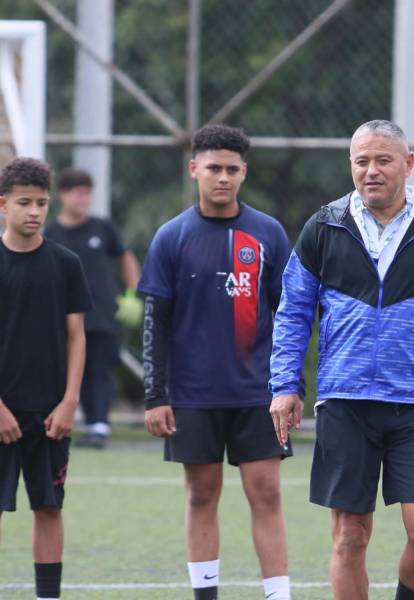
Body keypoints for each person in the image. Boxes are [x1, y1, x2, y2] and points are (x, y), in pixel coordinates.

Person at [270, 119, 414, 600]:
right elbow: (292, 312)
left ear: (407, 165)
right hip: (345, 400)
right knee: (350, 536)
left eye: (383, 160)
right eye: (361, 161)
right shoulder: (323, 226)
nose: (371, 170)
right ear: (351, 165)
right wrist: (285, 385)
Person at [138, 125, 293, 600]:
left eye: (231, 170)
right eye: (213, 169)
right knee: (201, 494)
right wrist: (155, 395)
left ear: (244, 172)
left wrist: (292, 388)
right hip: (193, 395)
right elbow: (155, 323)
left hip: (257, 395)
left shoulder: (268, 233)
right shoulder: (171, 237)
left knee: (266, 493)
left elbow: (289, 316)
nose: (222, 178)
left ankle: (278, 595)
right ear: (194, 171)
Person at [0, 157, 92, 600]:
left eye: (41, 202)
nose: (34, 211)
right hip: (0, 411)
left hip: (51, 412)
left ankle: (47, 596)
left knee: (48, 507)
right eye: (24, 202)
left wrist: (70, 400)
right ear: (3, 205)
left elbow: (76, 337)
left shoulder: (66, 263)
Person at [45, 168, 141, 449]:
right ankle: (57, 422)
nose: (84, 199)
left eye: (88, 194)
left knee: (100, 370)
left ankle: (99, 427)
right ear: (63, 195)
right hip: (63, 319)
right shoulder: (51, 233)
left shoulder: (103, 227)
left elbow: (126, 257)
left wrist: (133, 293)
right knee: (63, 372)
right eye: (78, 193)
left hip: (102, 317)